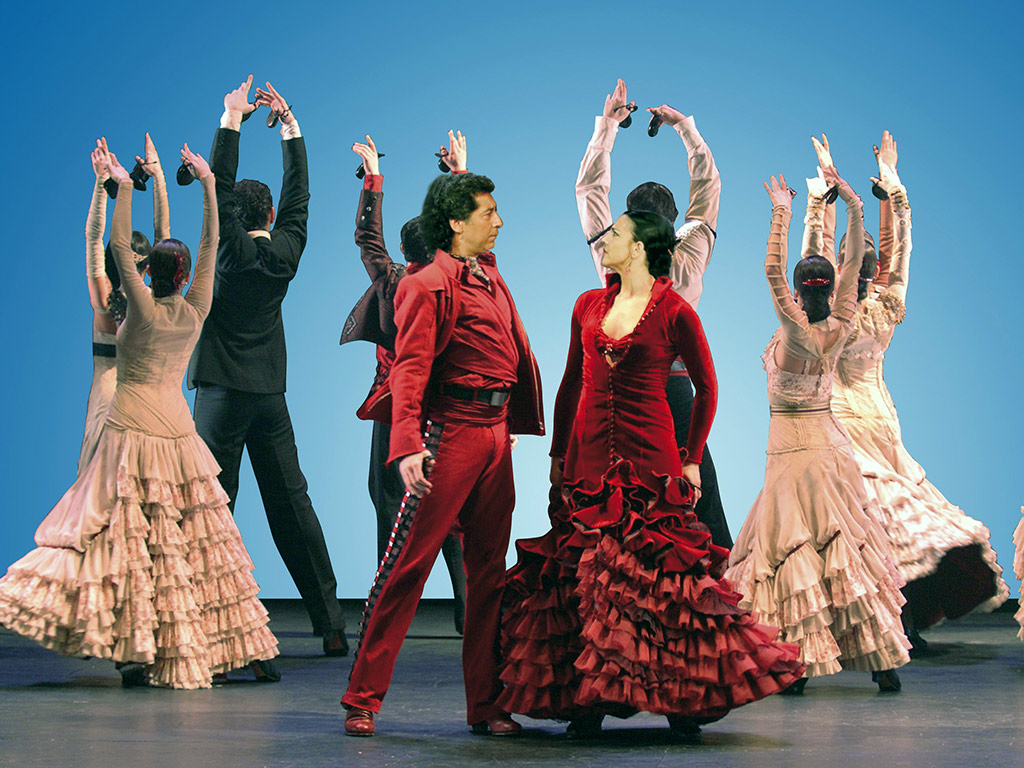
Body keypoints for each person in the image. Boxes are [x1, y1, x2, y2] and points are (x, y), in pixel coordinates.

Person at [498, 210, 803, 740]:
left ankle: (679, 696)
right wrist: (556, 454)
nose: (606, 240)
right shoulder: (587, 305)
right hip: (589, 455)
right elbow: (570, 383)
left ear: (638, 248)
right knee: (586, 574)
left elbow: (707, 388)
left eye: (615, 234)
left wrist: (692, 457)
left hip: (652, 458)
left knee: (660, 579)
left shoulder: (675, 311)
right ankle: (589, 698)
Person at [0, 139, 278, 688]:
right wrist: (205, 184)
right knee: (191, 536)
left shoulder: (138, 309)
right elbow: (207, 242)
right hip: (175, 429)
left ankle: (135, 644)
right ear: (183, 274)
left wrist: (119, 188)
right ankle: (226, 641)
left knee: (125, 534)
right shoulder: (194, 309)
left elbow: (109, 247)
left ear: (147, 272)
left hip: (127, 423)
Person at [342, 168, 544, 738]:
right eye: (487, 213)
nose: (499, 221)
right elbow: (410, 368)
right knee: (407, 566)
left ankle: (487, 705)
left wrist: (458, 171)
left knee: (489, 576)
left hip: (494, 436)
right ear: (456, 223)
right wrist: (408, 444)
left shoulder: (488, 275)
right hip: (449, 433)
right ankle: (362, 697)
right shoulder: (426, 283)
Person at [805, 133, 1008, 648]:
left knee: (858, 520)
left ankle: (869, 619)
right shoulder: (887, 305)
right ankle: (901, 618)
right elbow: (900, 249)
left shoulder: (829, 312)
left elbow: (814, 257)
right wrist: (892, 188)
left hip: (841, 418)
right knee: (886, 517)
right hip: (879, 416)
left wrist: (821, 198)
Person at [725, 166, 910, 694]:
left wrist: (781, 212)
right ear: (831, 287)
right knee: (844, 544)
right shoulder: (843, 322)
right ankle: (881, 662)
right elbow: (852, 268)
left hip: (789, 453)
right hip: (830, 448)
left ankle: (796, 665)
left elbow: (771, 269)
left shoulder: (793, 327)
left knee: (790, 551)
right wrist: (852, 203)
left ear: (797, 290)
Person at [188, 75, 347, 655]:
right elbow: (300, 198)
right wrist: (290, 129)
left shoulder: (227, 251)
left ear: (229, 216)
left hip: (220, 395)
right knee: (292, 504)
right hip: (269, 396)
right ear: (273, 213)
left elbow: (218, 189)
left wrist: (231, 119)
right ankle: (331, 624)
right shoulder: (286, 251)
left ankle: (206, 623)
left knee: (212, 508)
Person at [575, 78, 732, 549]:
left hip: (625, 387)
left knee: (622, 489)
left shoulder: (611, 253)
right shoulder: (691, 253)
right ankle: (718, 568)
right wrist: (686, 129)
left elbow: (589, 189)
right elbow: (708, 188)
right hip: (677, 387)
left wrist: (607, 127)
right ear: (675, 219)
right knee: (699, 490)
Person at [339, 132, 468, 634]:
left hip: (397, 405)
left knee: (389, 500)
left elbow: (366, 238)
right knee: (449, 508)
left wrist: (374, 176)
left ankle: (387, 606)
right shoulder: (453, 282)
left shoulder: (392, 280)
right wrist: (457, 175)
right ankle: (466, 606)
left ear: (402, 250)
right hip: (446, 408)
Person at [80, 134, 167, 474]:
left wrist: (102, 185)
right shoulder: (153, 301)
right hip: (142, 411)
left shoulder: (105, 298)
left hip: (110, 409)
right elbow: (163, 235)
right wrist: (158, 178)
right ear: (148, 266)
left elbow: (93, 238)